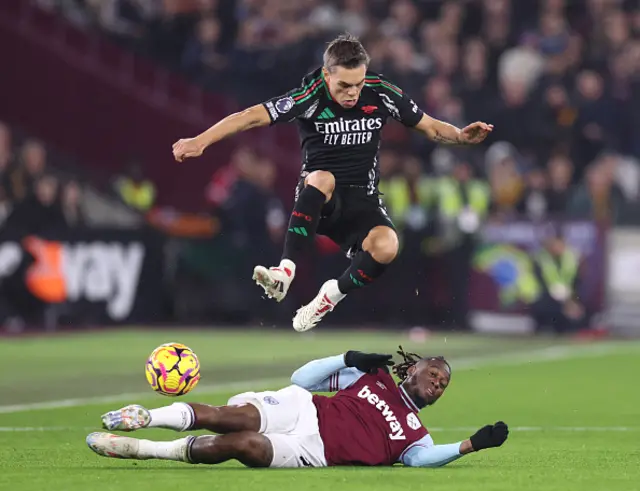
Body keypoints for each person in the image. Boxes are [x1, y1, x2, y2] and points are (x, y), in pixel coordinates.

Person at [172, 34, 493, 331]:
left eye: (357, 83)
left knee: (388, 246)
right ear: (327, 75)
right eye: (343, 85)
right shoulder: (311, 94)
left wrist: (460, 136)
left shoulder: (381, 92)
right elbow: (252, 115)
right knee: (323, 177)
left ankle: (330, 296)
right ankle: (285, 271)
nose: (352, 92)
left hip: (363, 201)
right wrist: (201, 141)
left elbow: (429, 125)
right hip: (320, 197)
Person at [87, 347, 509, 468]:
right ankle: (147, 416)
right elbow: (302, 378)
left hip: (315, 453)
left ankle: (143, 449)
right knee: (236, 417)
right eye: (434, 372)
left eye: (444, 383)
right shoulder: (372, 377)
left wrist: (470, 444)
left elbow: (423, 461)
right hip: (305, 409)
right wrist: (346, 359)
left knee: (244, 445)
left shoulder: (415, 435)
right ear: (412, 368)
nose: (438, 382)